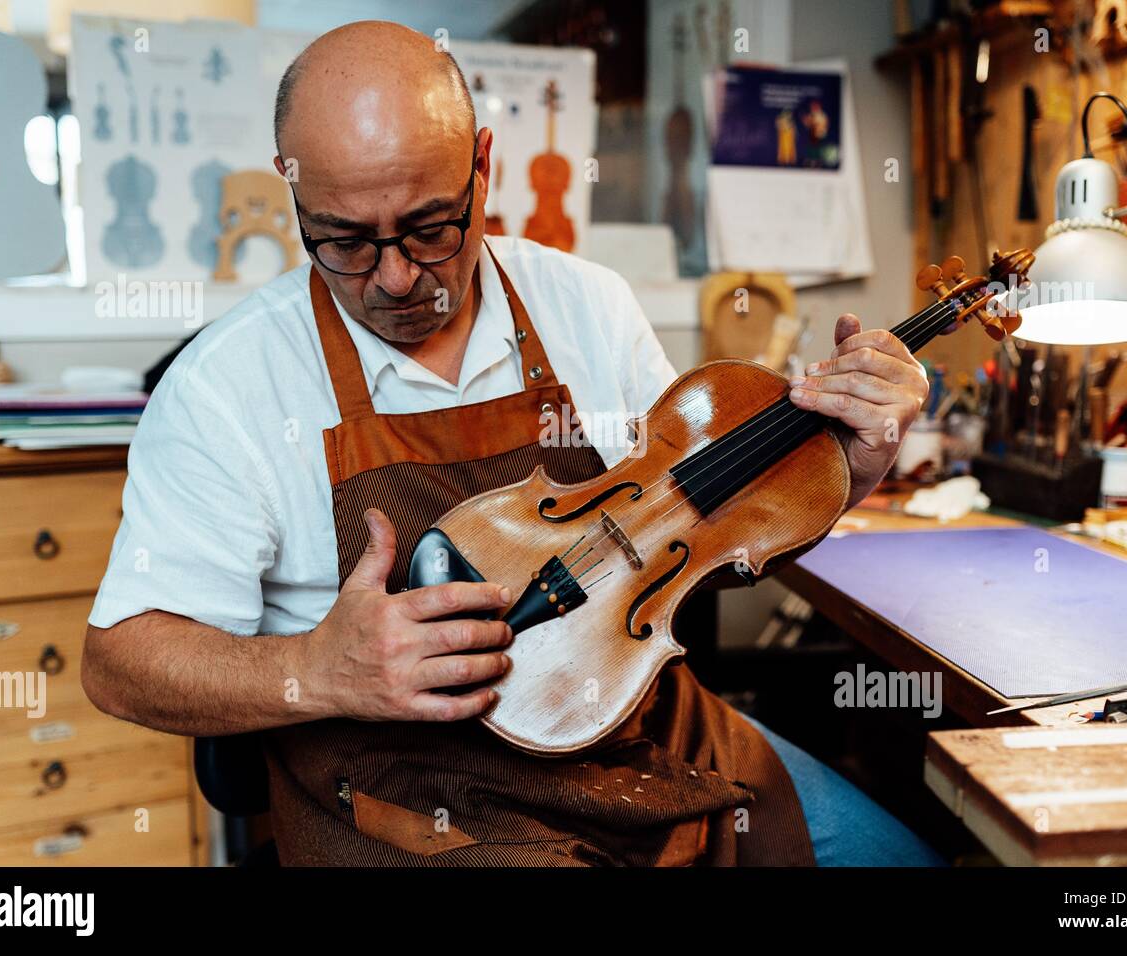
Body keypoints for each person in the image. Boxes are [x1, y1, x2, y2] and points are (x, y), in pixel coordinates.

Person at [83, 20, 942, 867]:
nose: (393, 277)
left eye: (430, 227)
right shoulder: (227, 383)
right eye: (344, 239)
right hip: (409, 789)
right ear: (291, 187)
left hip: (636, 735)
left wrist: (854, 463)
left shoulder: (587, 305)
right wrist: (320, 669)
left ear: (482, 167)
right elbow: (119, 662)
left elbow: (714, 530)